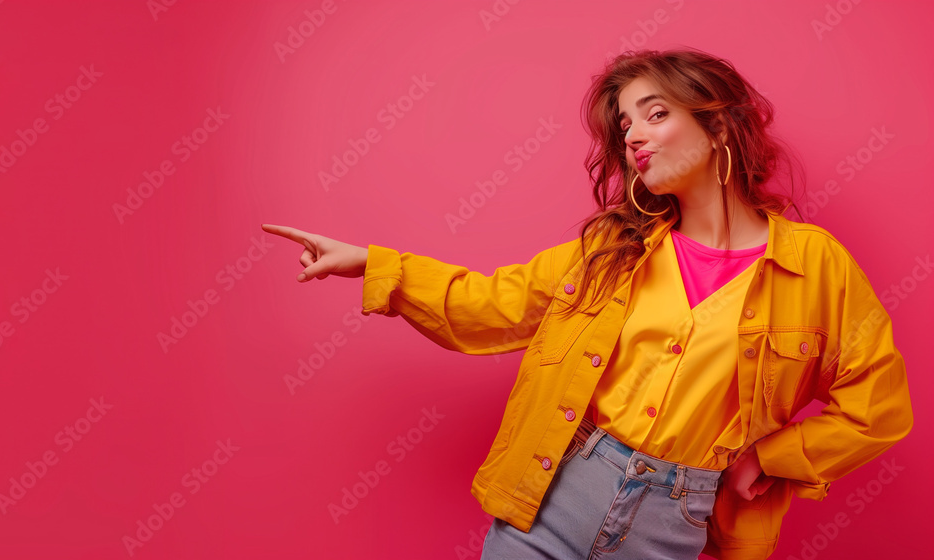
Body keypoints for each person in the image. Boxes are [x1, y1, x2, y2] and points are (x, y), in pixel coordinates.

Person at [262, 47, 914, 560]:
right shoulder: (611, 248)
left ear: (717, 124)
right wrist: (376, 267)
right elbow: (497, 303)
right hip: (557, 493)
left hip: (675, 520)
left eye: (655, 114)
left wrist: (770, 457)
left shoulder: (816, 264)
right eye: (625, 122)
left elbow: (877, 408)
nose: (633, 136)